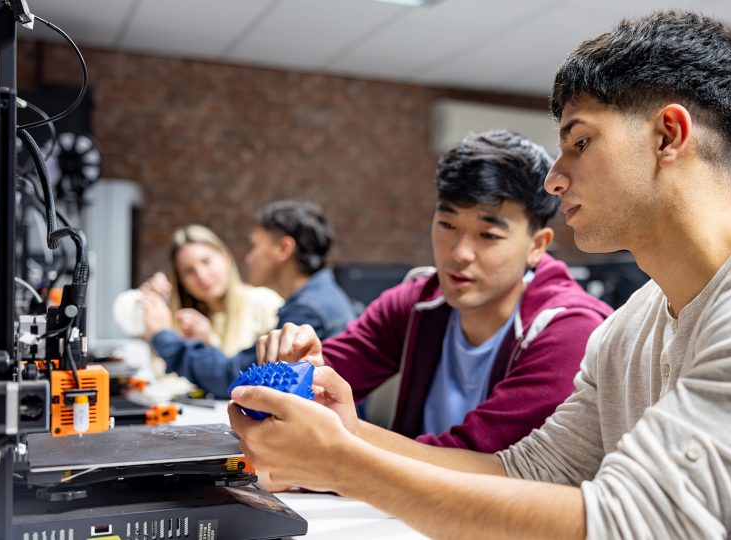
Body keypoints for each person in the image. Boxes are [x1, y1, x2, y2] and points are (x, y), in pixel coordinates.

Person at [228, 11, 731, 539]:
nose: (555, 176)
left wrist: (344, 463)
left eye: (580, 142)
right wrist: (349, 435)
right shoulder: (632, 326)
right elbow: (529, 472)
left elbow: (634, 525)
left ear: (668, 136)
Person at [257, 129, 612, 453]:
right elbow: (326, 373)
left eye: (488, 235)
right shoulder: (417, 302)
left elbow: (482, 459)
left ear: (537, 245)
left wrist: (342, 444)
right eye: (447, 224)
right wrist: (298, 370)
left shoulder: (570, 331)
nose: (459, 254)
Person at [152, 200, 356, 397]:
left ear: (283, 248)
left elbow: (235, 378)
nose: (249, 258)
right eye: (188, 271)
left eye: (255, 246)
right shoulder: (318, 298)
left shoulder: (307, 310)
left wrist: (161, 335)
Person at [138, 224, 283, 358]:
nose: (201, 276)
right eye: (189, 271)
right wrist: (155, 308)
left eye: (206, 261)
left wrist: (206, 348)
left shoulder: (264, 303)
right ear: (180, 281)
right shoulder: (184, 322)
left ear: (226, 258)